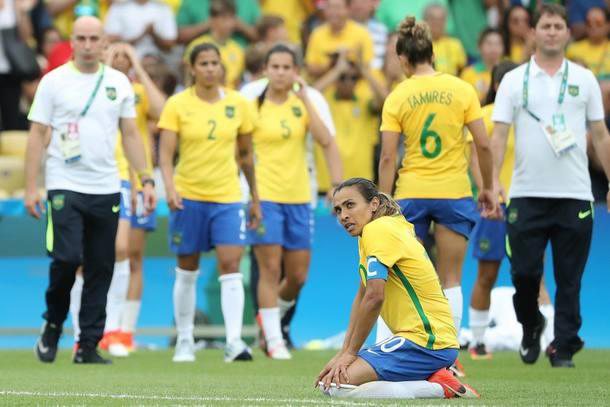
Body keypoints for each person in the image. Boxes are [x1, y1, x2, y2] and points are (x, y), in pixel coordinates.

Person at [26, 16, 156, 364]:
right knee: (67, 259)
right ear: (72, 41)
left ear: (103, 42)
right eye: (80, 38)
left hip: (106, 185)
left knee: (102, 265)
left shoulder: (118, 83)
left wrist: (145, 178)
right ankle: (53, 322)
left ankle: (88, 344)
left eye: (93, 38)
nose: (86, 45)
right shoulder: (53, 82)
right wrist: (31, 187)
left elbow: (131, 133)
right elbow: (37, 135)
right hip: (63, 183)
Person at [377, 16, 499, 376]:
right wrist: (488, 187)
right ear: (434, 53)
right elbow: (483, 144)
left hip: (411, 193)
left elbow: (387, 156)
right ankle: (447, 359)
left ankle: (387, 353)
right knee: (451, 279)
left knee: (393, 275)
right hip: (453, 192)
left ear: (403, 59)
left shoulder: (398, 94)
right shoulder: (462, 90)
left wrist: (382, 201)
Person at [491, 4, 610, 368]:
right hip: (526, 193)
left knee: (569, 278)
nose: (553, 31)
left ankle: (563, 346)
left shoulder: (584, 79)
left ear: (567, 33)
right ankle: (531, 323)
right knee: (524, 273)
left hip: (574, 192)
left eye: (559, 25)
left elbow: (601, 134)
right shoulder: (514, 80)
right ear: (534, 32)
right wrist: (492, 180)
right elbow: (498, 134)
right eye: (546, 26)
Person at [315, 178, 479, 400]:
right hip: (427, 341)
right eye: (338, 209)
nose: (343, 215)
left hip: (425, 341)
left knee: (335, 387)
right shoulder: (379, 230)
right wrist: (344, 353)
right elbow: (362, 294)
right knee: (334, 381)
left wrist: (351, 353)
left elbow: (374, 296)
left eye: (350, 205)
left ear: (373, 204)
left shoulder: (378, 230)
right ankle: (435, 376)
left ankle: (441, 389)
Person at [158, 42, 261, 363]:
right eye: (203, 63)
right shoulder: (177, 105)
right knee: (187, 269)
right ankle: (185, 340)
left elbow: (245, 154)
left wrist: (254, 195)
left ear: (222, 67)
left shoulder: (239, 104)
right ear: (191, 68)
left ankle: (233, 342)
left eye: (214, 62)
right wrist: (170, 188)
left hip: (228, 197)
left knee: (231, 265)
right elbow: (164, 154)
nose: (209, 68)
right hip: (189, 196)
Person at [249, 44, 343, 359]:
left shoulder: (304, 102)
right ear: (265, 70)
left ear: (295, 72)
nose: (280, 73)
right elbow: (240, 150)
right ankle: (274, 340)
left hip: (300, 197)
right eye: (274, 67)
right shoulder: (253, 103)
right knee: (270, 268)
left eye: (286, 67)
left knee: (298, 275)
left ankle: (267, 317)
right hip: (265, 197)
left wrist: (336, 187)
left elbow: (325, 140)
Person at [313, 51, 387, 189]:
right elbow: (310, 94)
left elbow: (386, 100)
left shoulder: (365, 101)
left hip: (361, 186)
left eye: (354, 78)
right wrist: (336, 70)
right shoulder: (323, 101)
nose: (348, 82)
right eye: (342, 77)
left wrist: (364, 71)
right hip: (328, 186)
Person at [305, 0, 374, 79]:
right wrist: (332, 64)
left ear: (348, 9)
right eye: (329, 7)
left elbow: (367, 69)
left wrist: (350, 61)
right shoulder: (317, 34)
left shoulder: (362, 34)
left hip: (356, 87)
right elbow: (310, 69)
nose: (333, 12)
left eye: (337, 7)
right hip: (326, 89)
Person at [185, 0, 246, 89]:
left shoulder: (238, 49)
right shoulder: (196, 46)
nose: (229, 23)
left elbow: (237, 83)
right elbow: (188, 80)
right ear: (212, 20)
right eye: (224, 18)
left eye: (232, 18)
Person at [104, 0, 177, 58]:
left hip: (158, 59)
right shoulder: (118, 7)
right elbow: (111, 41)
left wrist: (153, 34)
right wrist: (142, 35)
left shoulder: (162, 8)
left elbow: (169, 45)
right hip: (127, 59)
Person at [460, 28, 504, 102]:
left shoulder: (508, 72)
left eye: (497, 44)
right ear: (479, 47)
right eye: (489, 44)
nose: (494, 48)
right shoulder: (468, 74)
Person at [566, 7, 610, 81]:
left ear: (608, 25)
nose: (593, 26)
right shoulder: (572, 49)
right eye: (589, 23)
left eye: (598, 23)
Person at [423, 3, 466, 77]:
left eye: (441, 19)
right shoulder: (419, 45)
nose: (437, 23)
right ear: (425, 20)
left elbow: (462, 72)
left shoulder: (455, 44)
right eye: (433, 19)